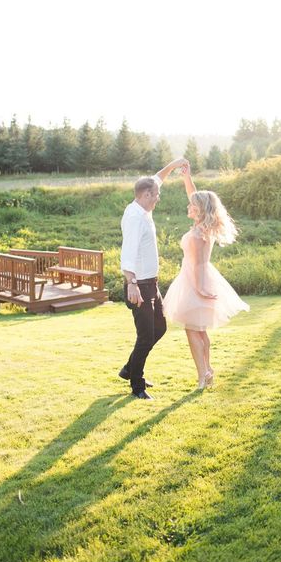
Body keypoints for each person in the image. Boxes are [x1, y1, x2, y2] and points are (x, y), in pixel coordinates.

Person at [163, 164, 249, 388]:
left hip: (196, 280)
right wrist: (187, 177)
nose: (188, 205)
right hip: (193, 279)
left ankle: (203, 374)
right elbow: (195, 195)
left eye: (193, 205)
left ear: (200, 210)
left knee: (193, 330)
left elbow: (200, 264)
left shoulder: (200, 233)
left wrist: (200, 289)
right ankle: (207, 371)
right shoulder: (202, 227)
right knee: (198, 330)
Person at [119, 157, 188, 400]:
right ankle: (136, 385)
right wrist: (132, 284)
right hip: (139, 285)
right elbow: (128, 252)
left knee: (160, 328)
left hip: (152, 282)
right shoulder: (135, 218)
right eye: (156, 195)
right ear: (146, 195)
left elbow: (157, 178)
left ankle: (130, 369)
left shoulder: (142, 205)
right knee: (146, 336)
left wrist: (175, 164)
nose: (159, 197)